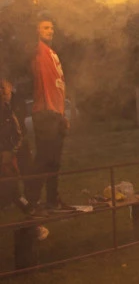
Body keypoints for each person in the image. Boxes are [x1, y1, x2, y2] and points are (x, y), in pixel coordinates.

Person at [26, 13, 73, 213]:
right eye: (45, 27)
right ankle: (31, 202)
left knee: (55, 161)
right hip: (44, 112)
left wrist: (62, 115)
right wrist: (33, 3)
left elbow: (59, 88)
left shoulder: (53, 54)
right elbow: (25, 38)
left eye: (51, 28)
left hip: (56, 114)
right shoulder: (37, 50)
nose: (50, 30)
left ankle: (53, 201)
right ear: (37, 31)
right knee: (44, 158)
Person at [0, 78, 48, 240]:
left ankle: (34, 218)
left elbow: (18, 134)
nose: (2, 92)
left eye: (4, 89)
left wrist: (10, 152)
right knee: (10, 189)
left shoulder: (11, 107)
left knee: (16, 187)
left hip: (11, 154)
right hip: (5, 156)